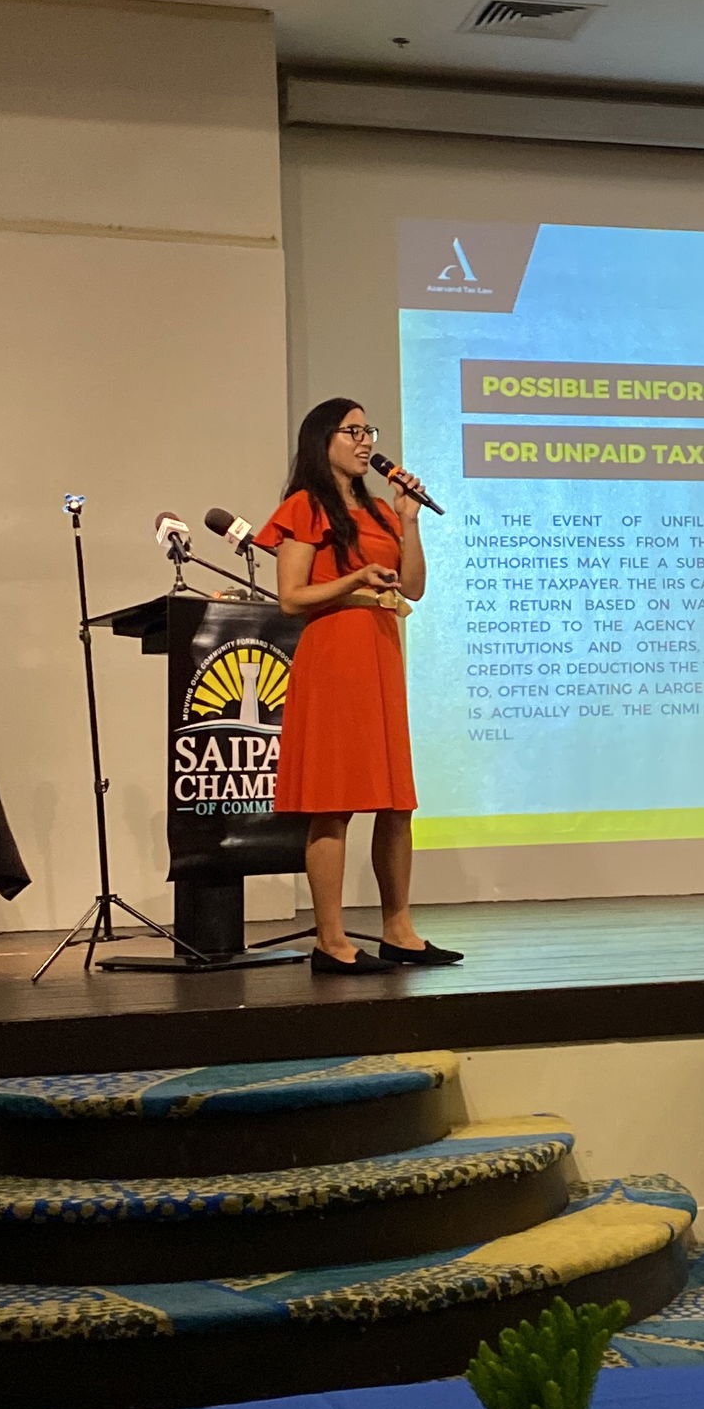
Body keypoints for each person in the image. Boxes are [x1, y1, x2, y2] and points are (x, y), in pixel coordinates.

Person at [258, 397, 461, 975]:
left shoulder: (379, 509)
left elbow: (414, 588)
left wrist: (409, 519)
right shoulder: (303, 506)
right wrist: (354, 579)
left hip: (380, 654)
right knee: (334, 805)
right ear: (322, 440)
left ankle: (399, 929)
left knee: (397, 803)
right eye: (352, 431)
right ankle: (331, 940)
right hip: (334, 659)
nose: (366, 440)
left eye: (368, 429)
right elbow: (292, 597)